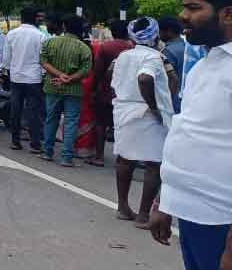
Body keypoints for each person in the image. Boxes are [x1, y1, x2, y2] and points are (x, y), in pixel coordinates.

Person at [149, 0, 232, 270]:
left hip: (224, 227)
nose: (184, 17)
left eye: (194, 8)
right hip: (196, 221)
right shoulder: (207, 63)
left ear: (228, 13)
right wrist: (168, 198)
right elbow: (191, 135)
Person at [109, 17, 174, 226]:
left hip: (124, 109)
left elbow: (111, 77)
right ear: (154, 35)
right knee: (154, 164)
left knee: (125, 159)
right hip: (147, 114)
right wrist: (154, 107)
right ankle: (143, 214)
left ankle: (123, 207)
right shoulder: (155, 57)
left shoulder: (123, 56)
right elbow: (145, 78)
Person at [40, 13, 93, 166]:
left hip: (52, 85)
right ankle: (66, 157)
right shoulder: (84, 48)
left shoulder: (50, 42)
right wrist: (70, 78)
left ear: (64, 27)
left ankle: (48, 152)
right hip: (74, 89)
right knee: (70, 122)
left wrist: (59, 75)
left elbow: (43, 61)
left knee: (51, 119)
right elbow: (86, 69)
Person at [87, 19, 134, 166]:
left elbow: (98, 71)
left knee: (101, 124)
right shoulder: (132, 47)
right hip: (126, 92)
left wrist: (94, 89)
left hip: (106, 90)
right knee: (124, 125)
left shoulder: (105, 47)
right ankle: (125, 158)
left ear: (112, 32)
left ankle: (99, 157)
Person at [4, 6, 48, 152]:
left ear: (21, 18)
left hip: (16, 76)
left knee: (15, 109)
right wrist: (42, 74)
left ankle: (15, 141)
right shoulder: (40, 36)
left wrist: (8, 70)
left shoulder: (12, 34)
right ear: (35, 19)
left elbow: (6, 59)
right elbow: (43, 59)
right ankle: (35, 143)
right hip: (34, 78)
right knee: (33, 111)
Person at [158, 16, 187, 112]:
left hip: (174, 101)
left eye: (160, 31)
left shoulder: (167, 52)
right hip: (187, 98)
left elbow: (168, 79)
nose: (158, 35)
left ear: (169, 31)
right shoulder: (188, 47)